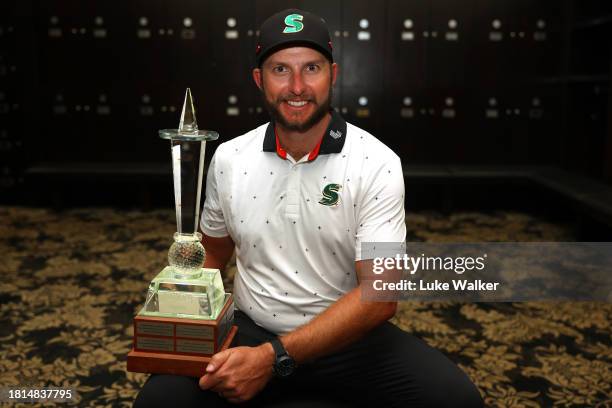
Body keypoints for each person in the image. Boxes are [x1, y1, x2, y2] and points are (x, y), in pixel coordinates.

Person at [134, 9, 483, 408]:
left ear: (333, 74)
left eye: (311, 68)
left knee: (457, 400)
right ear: (258, 79)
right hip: (251, 328)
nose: (296, 86)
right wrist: (186, 320)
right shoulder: (229, 158)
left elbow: (381, 294)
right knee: (159, 402)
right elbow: (213, 252)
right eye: (280, 69)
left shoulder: (377, 162)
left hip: (346, 337)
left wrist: (274, 358)